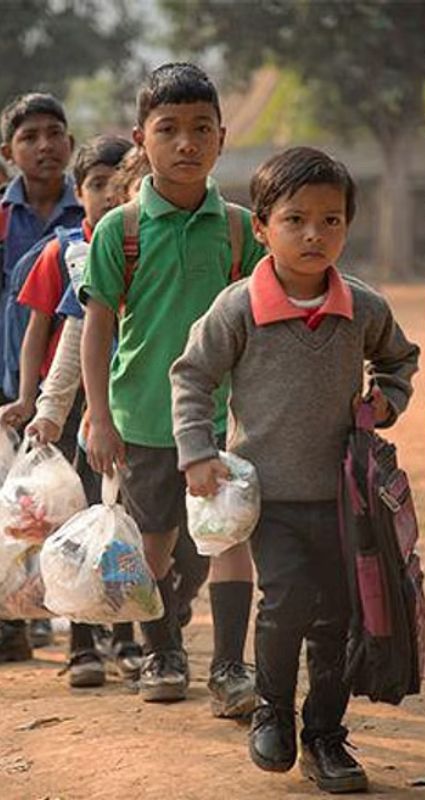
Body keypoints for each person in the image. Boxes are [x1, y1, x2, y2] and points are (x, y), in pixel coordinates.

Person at [171, 146, 419, 792]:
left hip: (343, 497)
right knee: (284, 602)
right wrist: (196, 451)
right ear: (261, 228)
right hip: (268, 495)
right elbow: (192, 377)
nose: (314, 234)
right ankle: (273, 714)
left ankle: (325, 737)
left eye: (331, 220)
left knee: (337, 616)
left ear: (346, 225)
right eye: (295, 220)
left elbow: (400, 361)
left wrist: (387, 398)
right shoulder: (237, 308)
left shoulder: (363, 308)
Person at [79, 63, 267, 711]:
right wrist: (99, 417)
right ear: (142, 139)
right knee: (155, 538)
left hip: (222, 418)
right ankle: (162, 654)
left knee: (228, 537)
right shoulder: (120, 231)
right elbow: (98, 329)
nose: (186, 143)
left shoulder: (241, 229)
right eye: (169, 129)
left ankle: (229, 671)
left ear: (221, 137)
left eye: (201, 129)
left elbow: (259, 328)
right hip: (144, 418)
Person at [10, 134, 142, 687]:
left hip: (140, 405)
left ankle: (131, 631)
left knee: (129, 523)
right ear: (78, 191)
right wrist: (37, 403)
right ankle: (85, 642)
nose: (109, 198)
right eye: (96, 186)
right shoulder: (67, 253)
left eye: (120, 187)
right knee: (79, 522)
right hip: (82, 410)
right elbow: (51, 336)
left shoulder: (143, 245)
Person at [0, 91, 83, 661]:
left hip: (72, 382)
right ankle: (13, 622)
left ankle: (78, 615)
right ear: (9, 153)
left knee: (63, 499)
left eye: (54, 133)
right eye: (30, 137)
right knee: (10, 508)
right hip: (5, 381)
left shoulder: (92, 217)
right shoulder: (3, 219)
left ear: (71, 145)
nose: (44, 146)